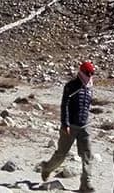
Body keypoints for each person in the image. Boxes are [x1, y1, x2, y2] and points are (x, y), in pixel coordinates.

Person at [40, 61, 96, 192]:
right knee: (61, 154)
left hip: (85, 126)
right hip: (70, 126)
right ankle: (47, 168)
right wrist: (65, 124)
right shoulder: (71, 86)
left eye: (92, 73)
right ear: (81, 72)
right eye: (88, 73)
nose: (90, 75)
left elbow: (87, 105)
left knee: (88, 155)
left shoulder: (90, 87)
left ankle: (85, 184)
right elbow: (64, 105)